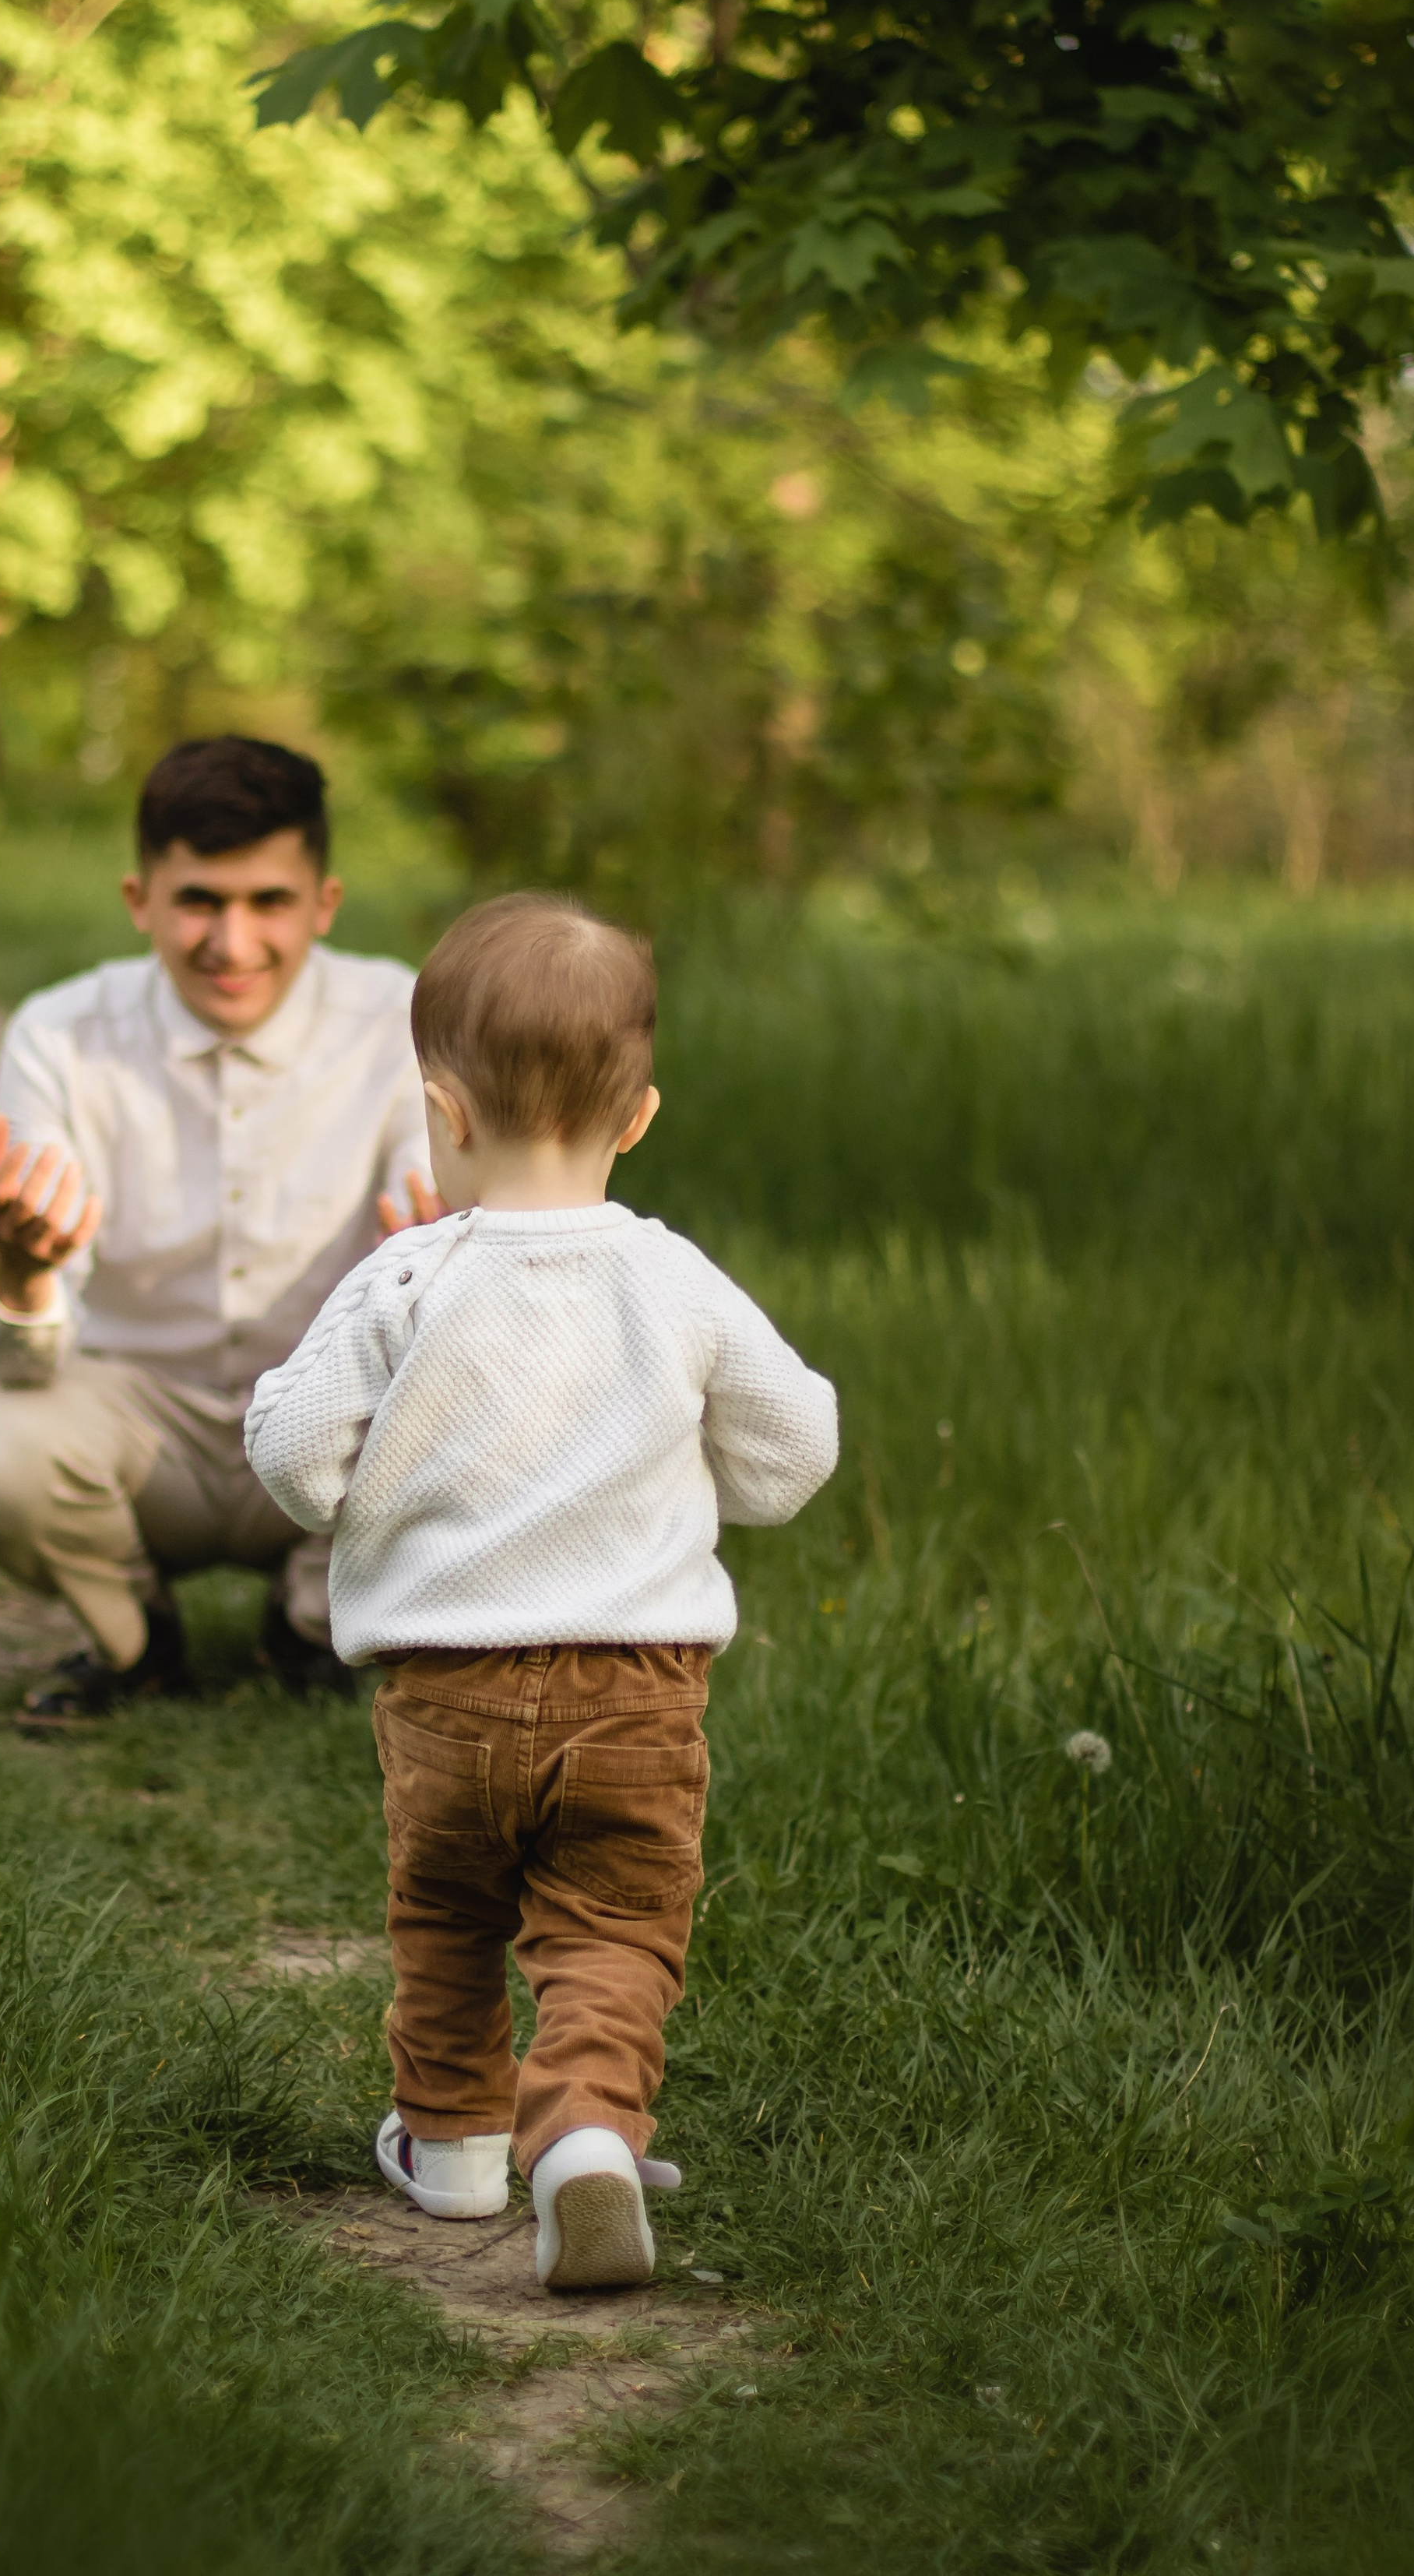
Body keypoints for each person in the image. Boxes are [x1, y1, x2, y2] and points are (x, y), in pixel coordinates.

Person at [244, 893, 838, 2289]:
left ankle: (451, 2149)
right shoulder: (675, 1280)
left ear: (441, 1113)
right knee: (615, 1930)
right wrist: (709, 1484)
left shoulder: (404, 1279)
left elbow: (290, 1459)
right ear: (637, 1119)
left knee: (446, 1918)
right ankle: (583, 2132)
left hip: (444, 1690)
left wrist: (359, 1474)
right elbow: (796, 1451)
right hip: (638, 1689)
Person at [0, 735, 438, 1733]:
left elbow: (441, 1275)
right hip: (139, 1429)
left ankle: (311, 1624)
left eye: (269, 903)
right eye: (200, 900)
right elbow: (13, 1366)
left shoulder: (404, 1018)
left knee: (452, 1386)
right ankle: (134, 1638)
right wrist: (23, 1273)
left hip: (331, 1419)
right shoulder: (60, 1034)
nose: (233, 942)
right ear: (141, 901)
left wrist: (436, 1269)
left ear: (324, 904)